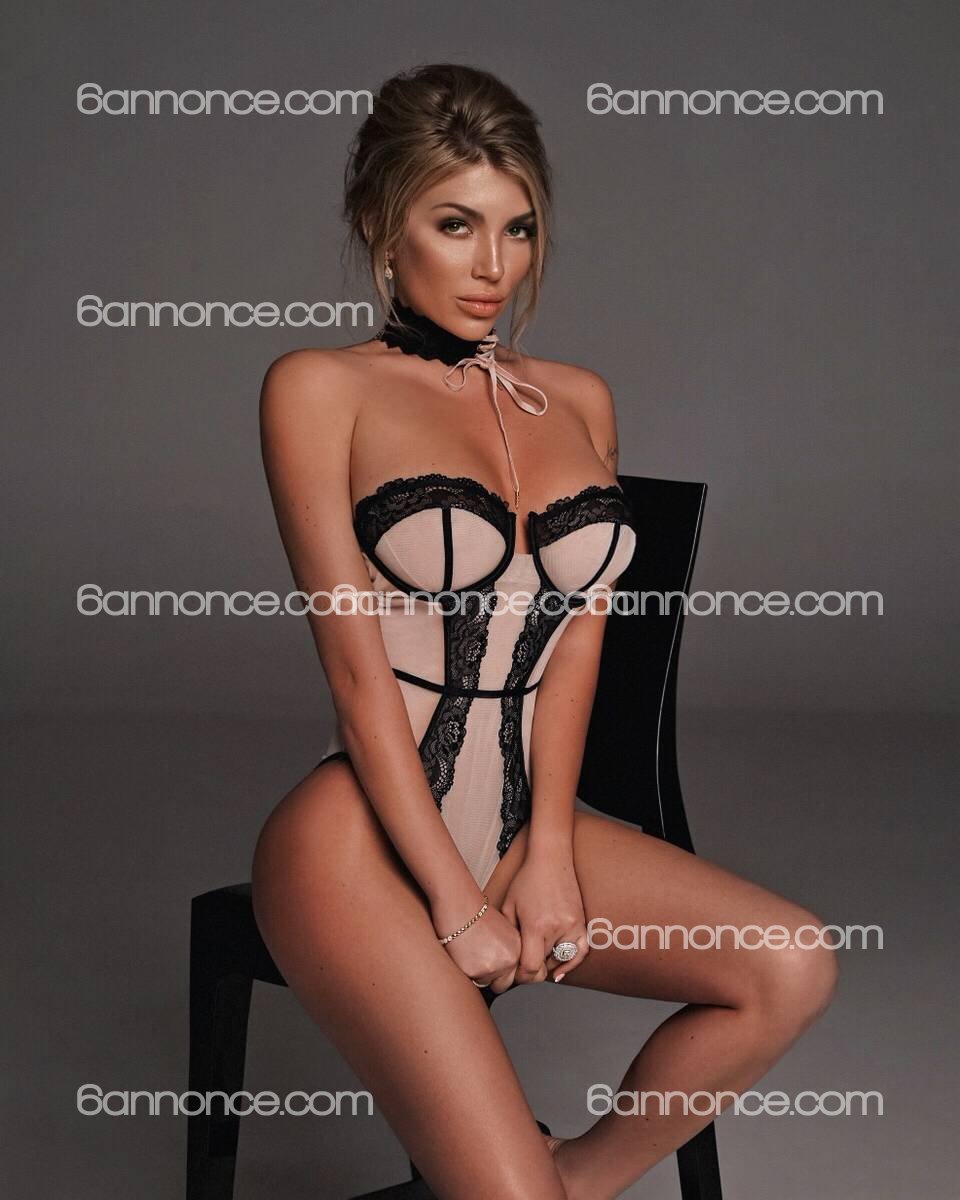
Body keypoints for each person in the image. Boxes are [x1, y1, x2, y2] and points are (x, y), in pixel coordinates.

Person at [251, 63, 837, 1200]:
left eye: (516, 229)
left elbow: (577, 647)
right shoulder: (318, 388)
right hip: (357, 842)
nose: (492, 266)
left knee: (793, 964)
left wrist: (552, 854)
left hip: (524, 818)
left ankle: (568, 1179)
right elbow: (358, 681)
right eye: (455, 224)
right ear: (380, 226)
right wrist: (457, 903)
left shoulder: (578, 399)